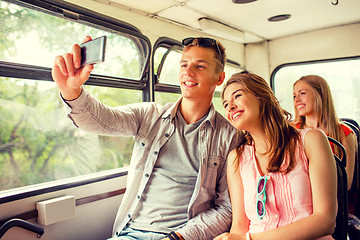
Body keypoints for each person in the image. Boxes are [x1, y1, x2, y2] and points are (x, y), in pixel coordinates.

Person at [51, 36, 241, 240]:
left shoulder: (230, 137)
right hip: (130, 234)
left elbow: (226, 209)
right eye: (184, 64)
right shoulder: (149, 115)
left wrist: (179, 238)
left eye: (200, 66)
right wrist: (71, 90)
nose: (188, 71)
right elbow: (100, 120)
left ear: (219, 78)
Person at [215, 72, 337, 240]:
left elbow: (325, 221)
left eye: (237, 96)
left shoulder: (311, 140)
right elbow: (240, 226)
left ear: (261, 97)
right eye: (226, 104)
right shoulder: (236, 158)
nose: (230, 107)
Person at [293, 75, 357, 190]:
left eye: (302, 93)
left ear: (320, 95)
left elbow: (346, 183)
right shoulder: (291, 130)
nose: (297, 99)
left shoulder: (345, 133)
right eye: (294, 96)